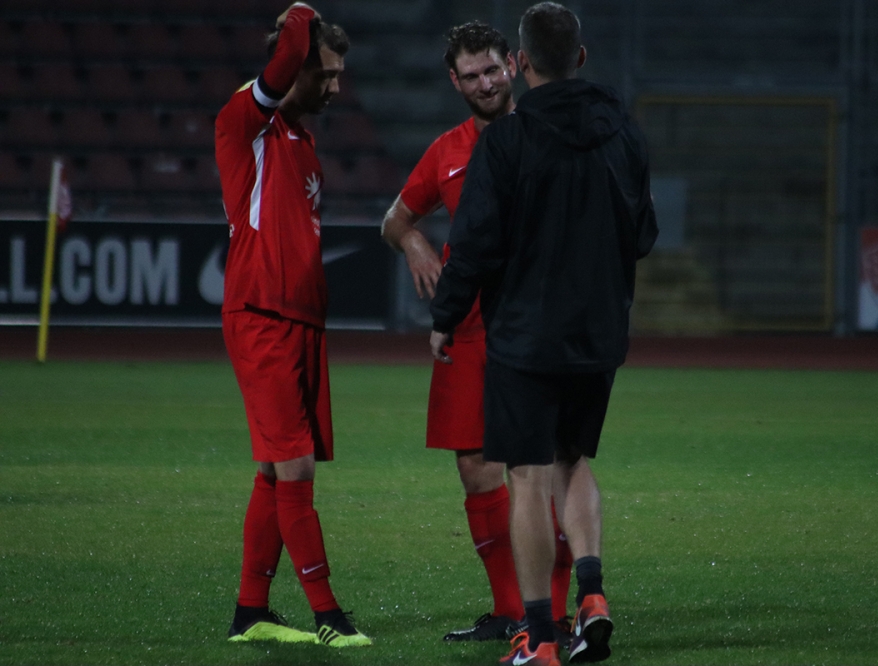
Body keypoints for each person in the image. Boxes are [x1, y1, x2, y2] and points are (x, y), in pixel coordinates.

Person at [429, 3, 659, 665]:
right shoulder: (624, 131)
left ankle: (539, 638)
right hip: (598, 334)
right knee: (573, 461)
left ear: (520, 63)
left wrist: (446, 317)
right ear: (579, 57)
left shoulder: (507, 141)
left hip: (526, 336)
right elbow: (643, 235)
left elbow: (474, 246)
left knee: (528, 476)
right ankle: (592, 595)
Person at [382, 21, 575, 644]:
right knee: (475, 467)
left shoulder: (547, 135)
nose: (485, 84)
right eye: (472, 76)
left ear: (513, 65)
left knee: (541, 466)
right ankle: (511, 610)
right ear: (454, 81)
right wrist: (414, 241)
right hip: (467, 325)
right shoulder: (447, 150)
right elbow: (393, 219)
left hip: (534, 321)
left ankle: (554, 611)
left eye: (492, 70)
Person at [214, 2, 370, 648]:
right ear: (295, 68)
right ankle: (328, 616)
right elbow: (283, 57)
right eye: (324, 74)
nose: (334, 87)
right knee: (297, 465)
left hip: (301, 322)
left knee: (277, 470)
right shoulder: (245, 121)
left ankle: (251, 612)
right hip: (261, 315)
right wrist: (302, 12)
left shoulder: (304, 144)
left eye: (338, 75)